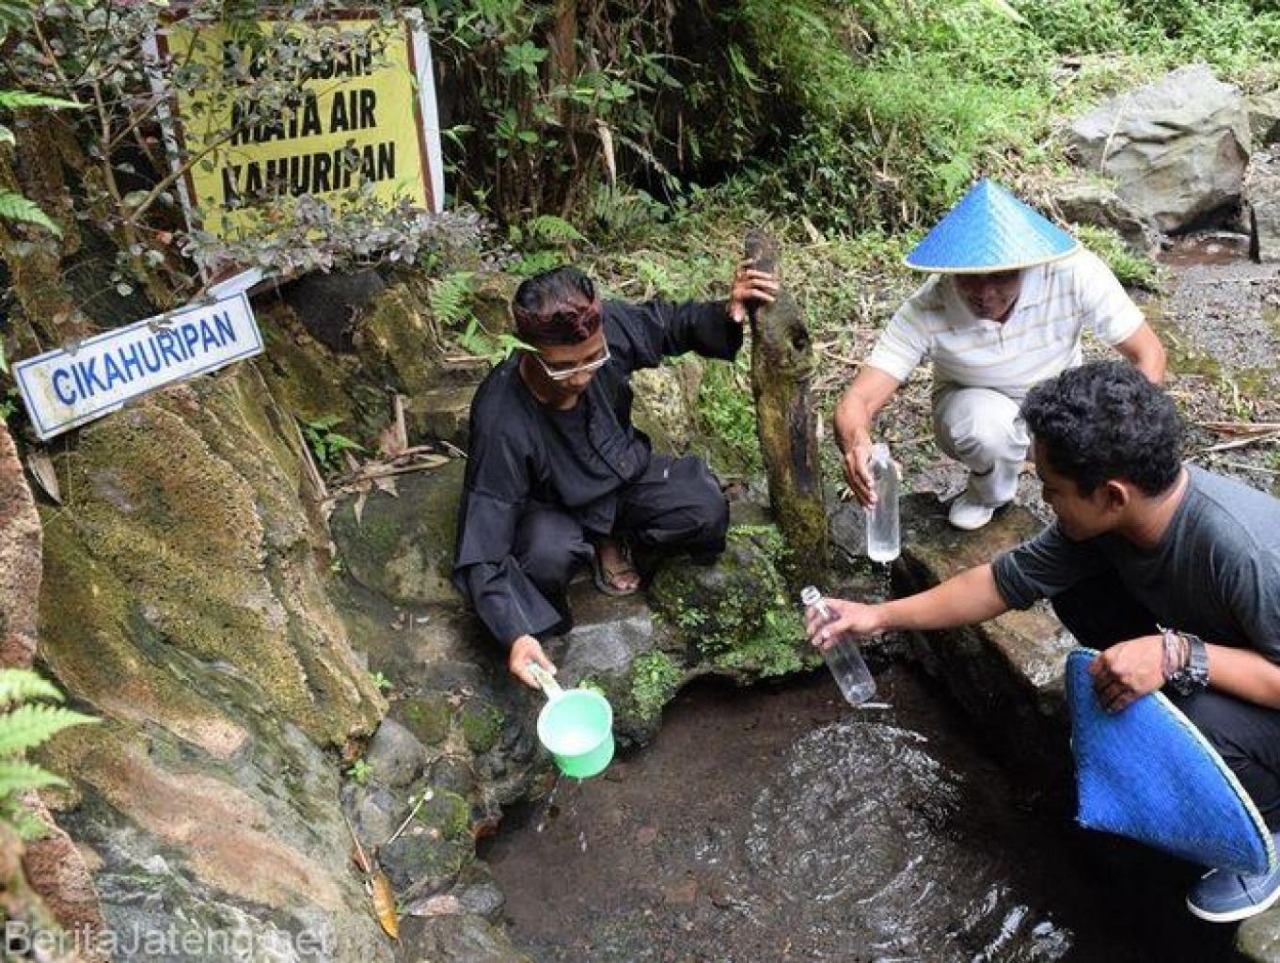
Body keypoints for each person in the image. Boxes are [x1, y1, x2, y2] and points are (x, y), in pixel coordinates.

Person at [809, 361, 1280, 922]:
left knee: (1189, 718)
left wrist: (1177, 655)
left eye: (1051, 489)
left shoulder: (1246, 554)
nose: (1044, 499)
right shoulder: (1112, 524)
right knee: (1078, 590)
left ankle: (1266, 832)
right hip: (1235, 656)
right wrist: (877, 617)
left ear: (1111, 495)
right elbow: (999, 583)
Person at [454, 262, 778, 689]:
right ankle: (578, 567)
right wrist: (515, 633)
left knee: (703, 506)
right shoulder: (501, 417)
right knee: (544, 558)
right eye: (566, 367)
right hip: (554, 508)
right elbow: (483, 541)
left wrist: (727, 310)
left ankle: (616, 538)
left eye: (594, 358)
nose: (584, 376)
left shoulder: (607, 329)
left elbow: (669, 324)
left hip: (621, 476)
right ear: (528, 353)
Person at [835, 178, 1167, 531]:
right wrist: (859, 444)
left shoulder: (1073, 273)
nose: (985, 293)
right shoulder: (928, 308)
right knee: (986, 426)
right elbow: (857, 400)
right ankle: (990, 494)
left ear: (1029, 264)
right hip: (975, 407)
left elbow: (1149, 353)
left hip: (1059, 405)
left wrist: (1127, 438)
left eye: (1002, 276)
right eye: (970, 278)